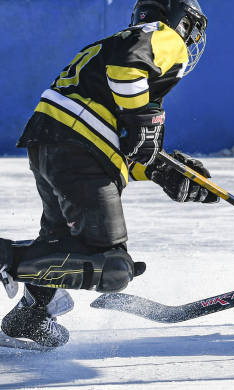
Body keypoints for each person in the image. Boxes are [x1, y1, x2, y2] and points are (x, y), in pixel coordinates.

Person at [0, 0, 219, 348]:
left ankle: (31, 315)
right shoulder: (161, 39)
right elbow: (127, 67)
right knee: (111, 266)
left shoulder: (118, 52)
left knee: (60, 246)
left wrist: (165, 172)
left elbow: (125, 141)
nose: (190, 40)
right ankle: (6, 259)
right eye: (190, 28)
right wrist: (144, 119)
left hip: (54, 143)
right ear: (177, 18)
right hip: (78, 149)